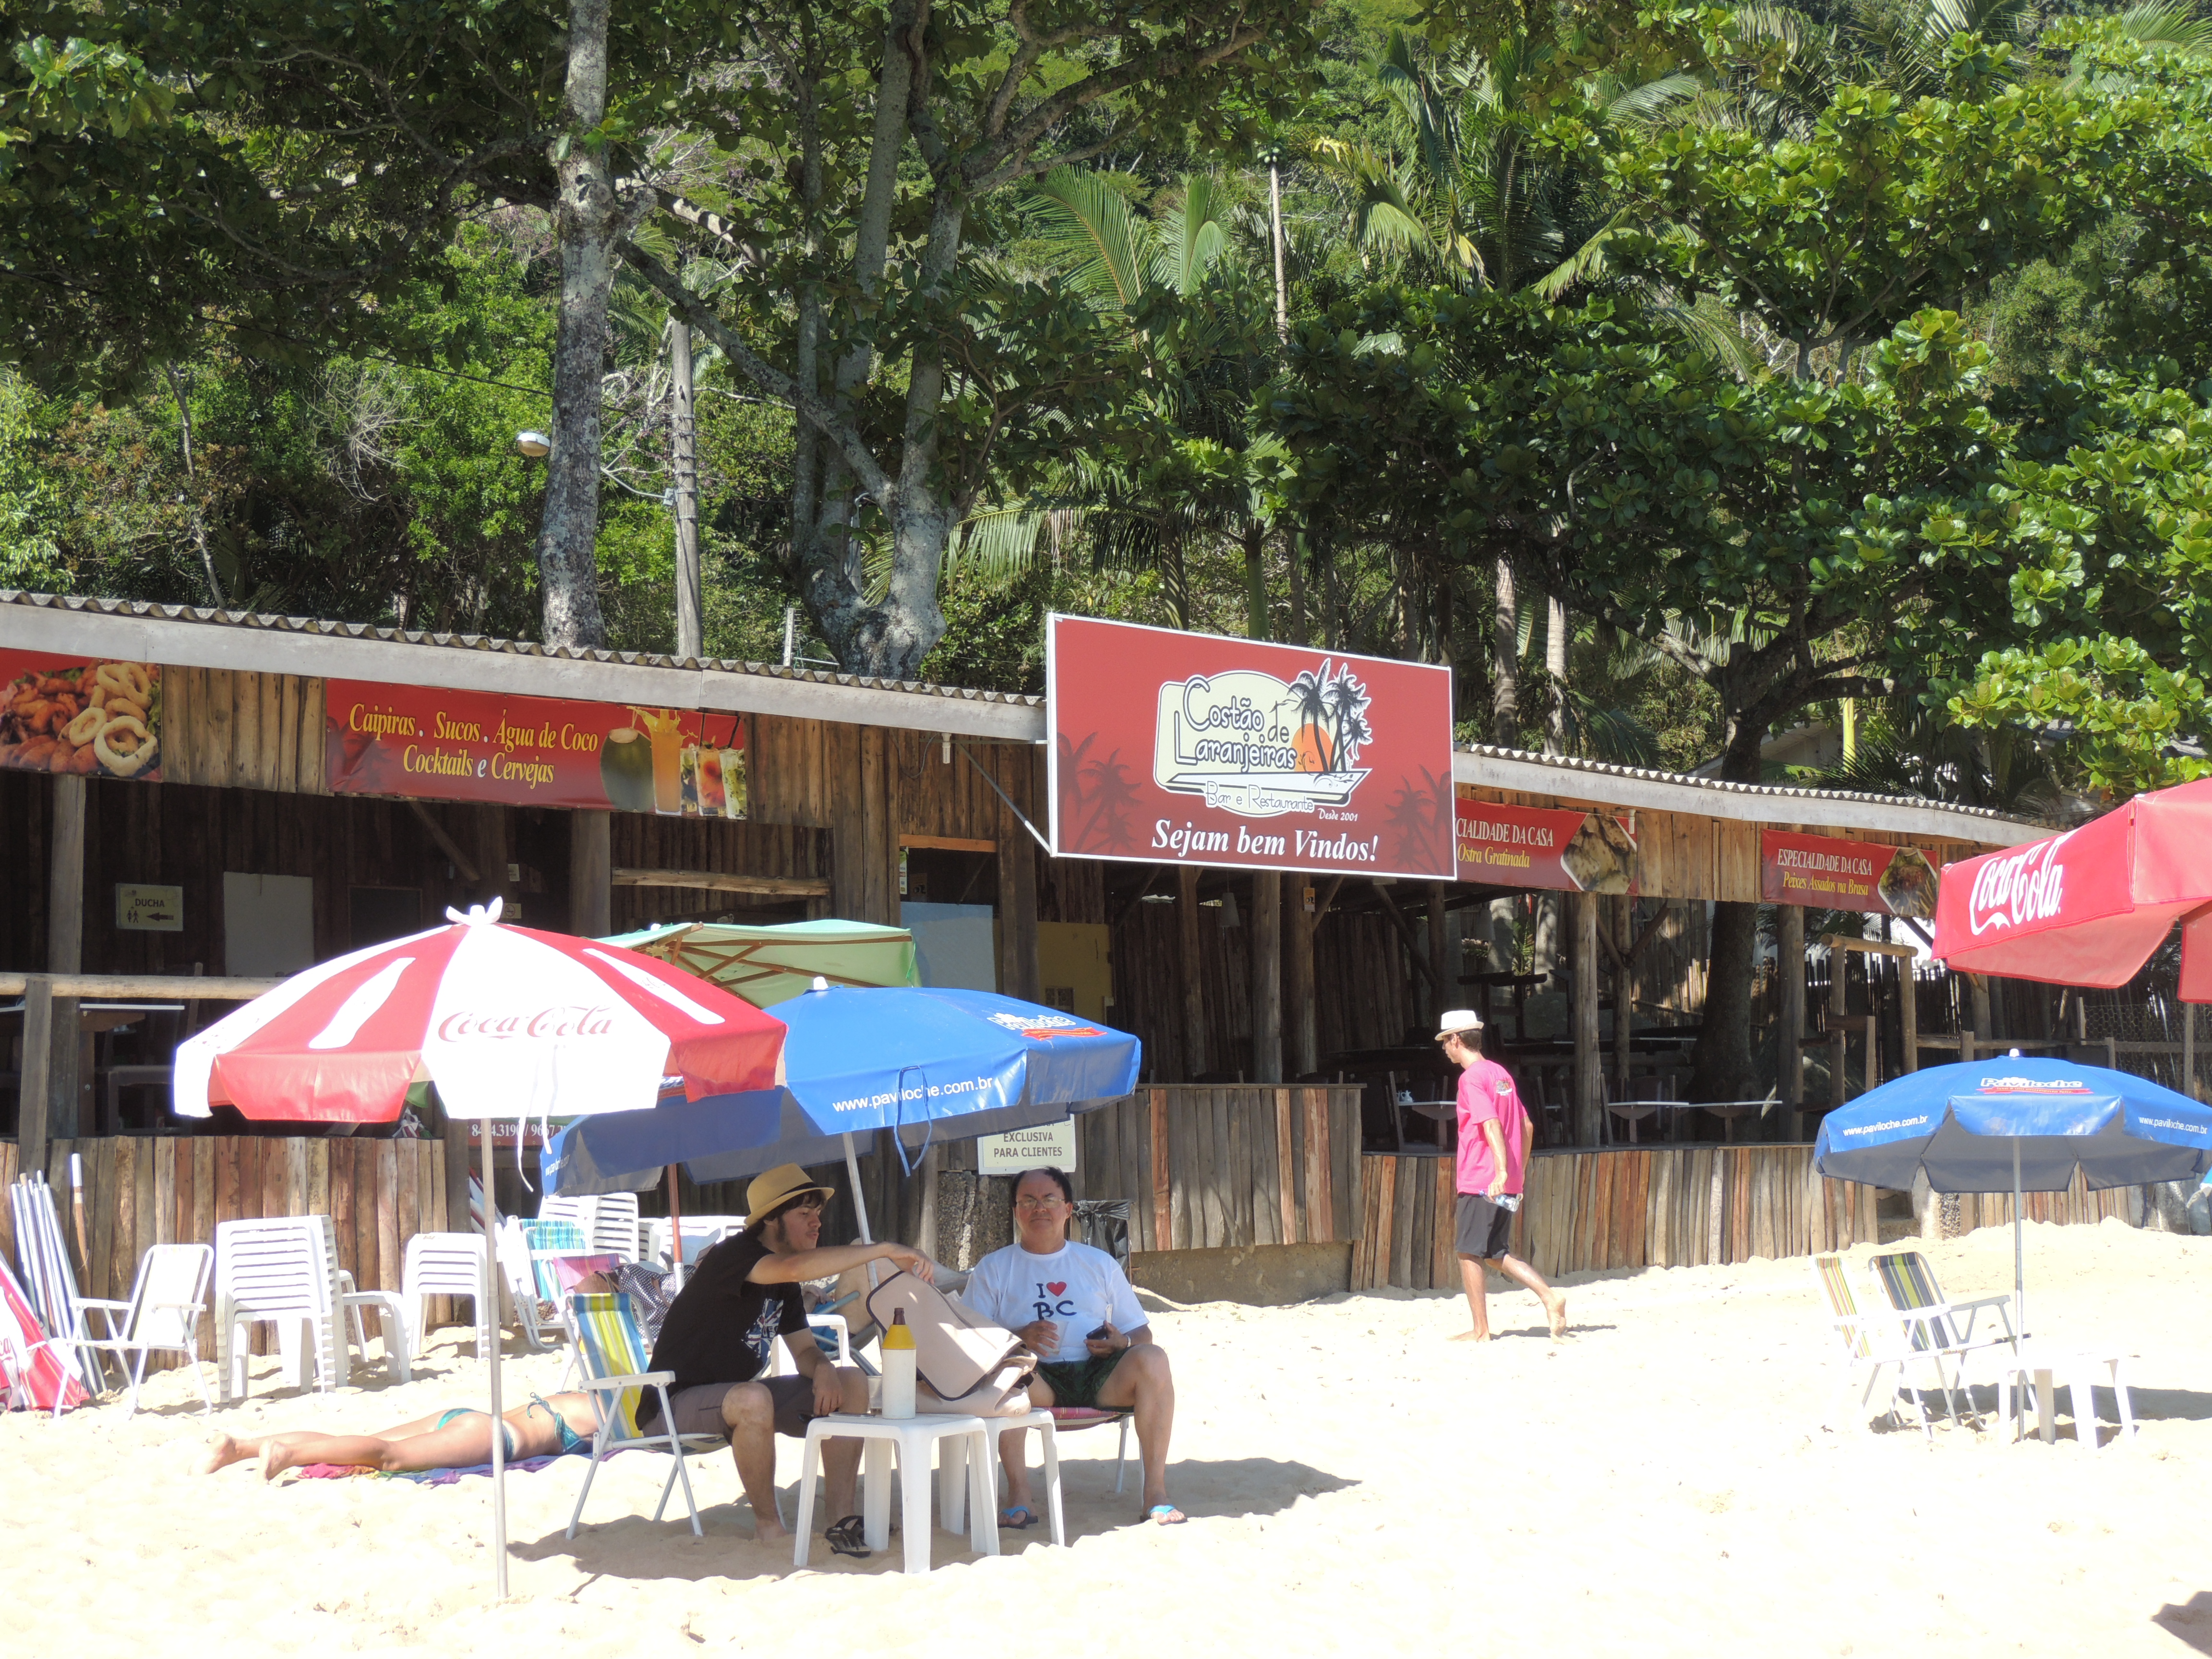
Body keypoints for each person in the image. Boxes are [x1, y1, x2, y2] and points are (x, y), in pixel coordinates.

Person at [641, 1162, 934, 1555]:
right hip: (673, 1403)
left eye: (818, 1214)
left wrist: (825, 1369)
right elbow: (793, 1266)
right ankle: (769, 1529)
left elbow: (805, 1350)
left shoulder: (785, 1285)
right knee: (752, 1398)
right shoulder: (735, 1255)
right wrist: (882, 1250)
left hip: (735, 1397)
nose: (816, 1224)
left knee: (852, 1383)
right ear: (771, 1221)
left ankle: (840, 1520)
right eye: (804, 1214)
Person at [960, 1166, 1184, 1527]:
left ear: (1068, 1208)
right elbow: (969, 1337)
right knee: (1008, 1369)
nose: (1039, 1209)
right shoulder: (995, 1268)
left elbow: (1142, 1334)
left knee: (1153, 1359)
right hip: (1037, 1380)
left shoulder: (1097, 1263)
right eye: (1028, 1201)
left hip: (1100, 1374)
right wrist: (1017, 1336)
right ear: (1016, 1211)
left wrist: (1120, 1343)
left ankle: (1155, 1494)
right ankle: (1019, 1495)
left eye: (1050, 1199)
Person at [1440, 1010, 1567, 1342]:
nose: (1444, 1048)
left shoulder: (1471, 1078)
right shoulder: (1500, 1074)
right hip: (1506, 1180)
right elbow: (1526, 1126)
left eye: (1445, 1041)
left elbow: (1490, 1123)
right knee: (1496, 1253)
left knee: (1469, 1252)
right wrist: (1517, 1174)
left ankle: (1481, 1331)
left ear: (1456, 1039)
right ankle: (1550, 1297)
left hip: (1484, 1177)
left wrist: (1499, 1171)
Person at [196, 1392, 604, 1480]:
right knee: (388, 1457)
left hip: (462, 1415)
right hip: (495, 1435)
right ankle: (284, 1452)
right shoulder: (604, 1408)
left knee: (354, 1441)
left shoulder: (572, 1394)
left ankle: (240, 1447)